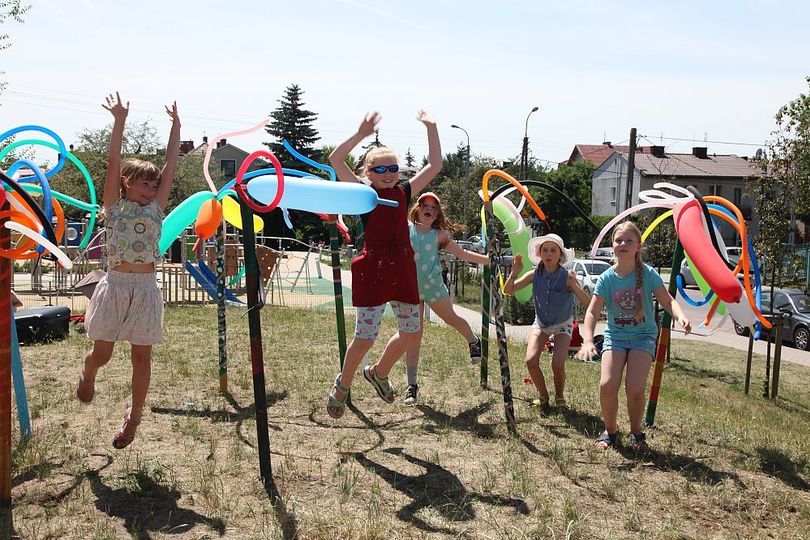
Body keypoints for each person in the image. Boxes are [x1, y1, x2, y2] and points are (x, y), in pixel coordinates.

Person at [76, 92, 181, 449]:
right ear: (126, 183)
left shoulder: (157, 208)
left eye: (154, 185)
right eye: (143, 183)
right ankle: (89, 372)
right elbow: (112, 160)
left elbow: (171, 165)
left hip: (146, 289)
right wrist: (119, 121)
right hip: (116, 285)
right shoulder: (114, 207)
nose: (151, 189)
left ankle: (134, 417)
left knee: (142, 356)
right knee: (102, 354)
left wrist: (177, 128)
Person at [326, 111, 441, 419]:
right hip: (373, 269)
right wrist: (360, 134)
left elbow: (436, 165)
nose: (389, 173)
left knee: (411, 331)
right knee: (365, 337)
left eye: (394, 168)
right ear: (369, 172)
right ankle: (343, 384)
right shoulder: (362, 191)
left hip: (402, 268)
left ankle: (379, 372)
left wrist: (432, 127)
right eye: (381, 169)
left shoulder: (403, 191)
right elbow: (336, 160)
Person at [577, 222, 691, 449]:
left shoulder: (647, 274)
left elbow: (667, 299)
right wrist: (588, 340)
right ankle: (610, 432)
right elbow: (592, 311)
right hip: (615, 337)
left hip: (643, 336)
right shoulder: (607, 278)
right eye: (619, 240)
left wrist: (680, 316)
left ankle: (636, 433)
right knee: (608, 384)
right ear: (612, 246)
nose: (623, 244)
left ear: (638, 246)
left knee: (634, 387)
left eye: (629, 241)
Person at [401, 192, 490, 405]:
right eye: (425, 204)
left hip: (433, 288)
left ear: (437, 213)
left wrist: (489, 260)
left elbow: (464, 255)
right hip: (410, 289)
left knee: (451, 318)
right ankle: (411, 385)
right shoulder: (405, 229)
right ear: (418, 208)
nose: (428, 208)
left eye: (433, 206)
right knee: (414, 335)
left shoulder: (440, 235)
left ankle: (472, 339)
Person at [504, 234, 589, 413]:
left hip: (563, 323)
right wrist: (514, 272)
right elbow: (508, 290)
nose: (549, 253)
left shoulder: (567, 276)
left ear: (560, 255)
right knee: (530, 360)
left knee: (558, 363)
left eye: (553, 250)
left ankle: (559, 397)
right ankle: (543, 396)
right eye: (545, 250)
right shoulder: (534, 274)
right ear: (539, 254)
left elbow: (588, 303)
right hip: (541, 323)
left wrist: (574, 286)